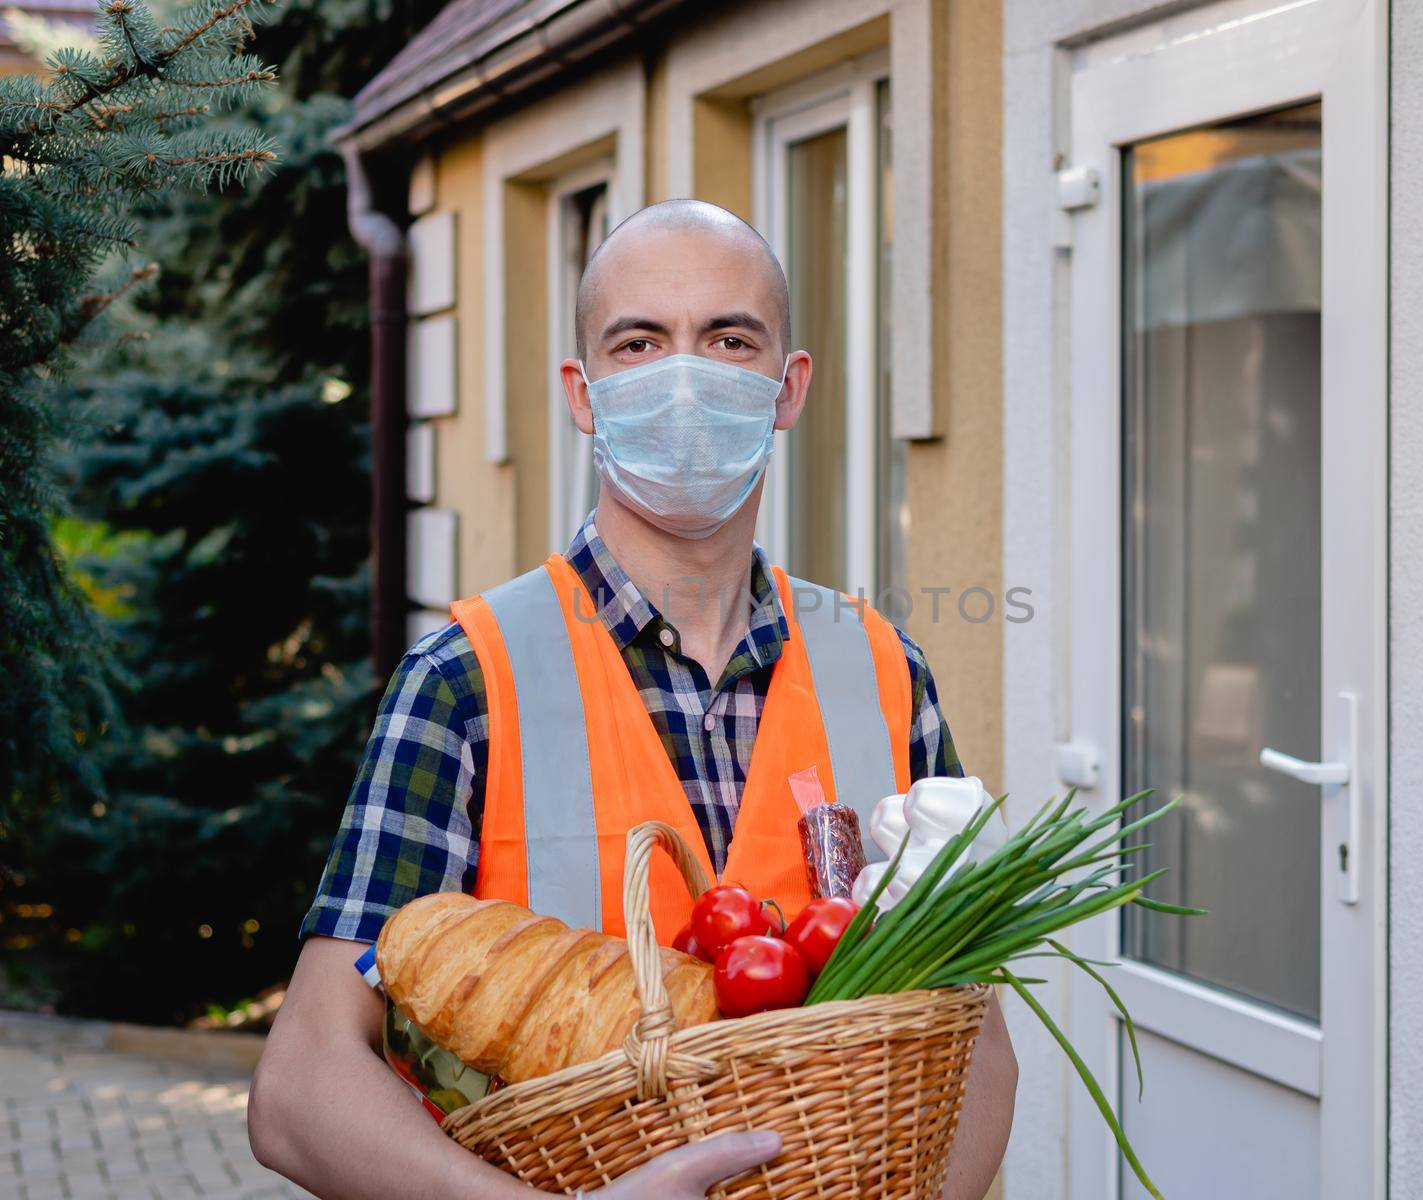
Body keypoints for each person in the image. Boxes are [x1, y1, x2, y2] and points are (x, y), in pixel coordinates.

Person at [248, 199, 1018, 1199]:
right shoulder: (466, 682)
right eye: (639, 341)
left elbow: (975, 1035)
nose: (684, 377)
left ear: (789, 389)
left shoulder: (881, 670)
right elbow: (303, 1089)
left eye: (728, 339)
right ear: (583, 391)